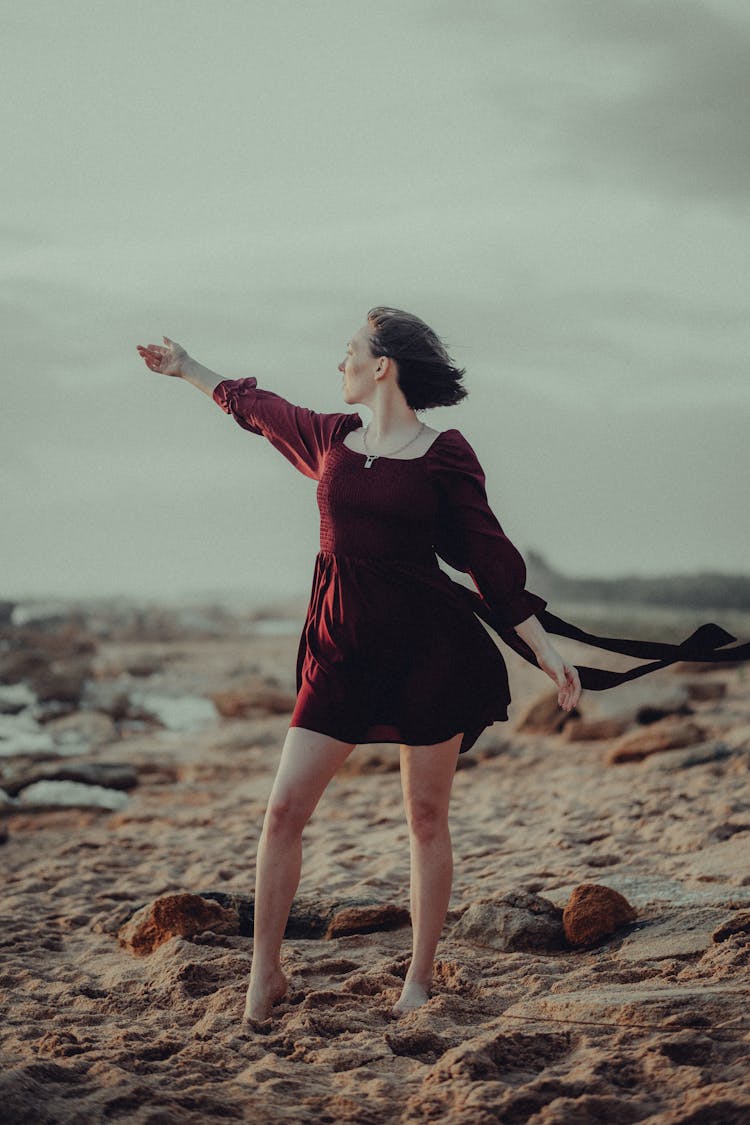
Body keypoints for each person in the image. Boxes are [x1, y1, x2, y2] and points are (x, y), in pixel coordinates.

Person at [136, 307, 743, 1022]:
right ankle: (262, 976)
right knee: (282, 811)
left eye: (350, 352)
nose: (341, 364)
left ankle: (419, 979)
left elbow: (489, 558)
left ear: (382, 365)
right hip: (339, 652)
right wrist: (188, 369)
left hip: (426, 652)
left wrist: (547, 653)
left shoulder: (444, 454)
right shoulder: (331, 438)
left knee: (425, 817)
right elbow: (260, 410)